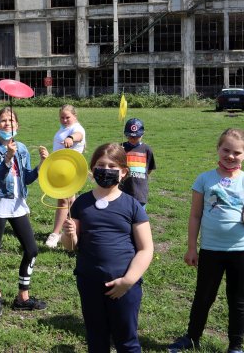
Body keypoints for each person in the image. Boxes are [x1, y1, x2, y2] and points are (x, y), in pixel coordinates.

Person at [168, 128, 244, 353]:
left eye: (237, 152)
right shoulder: (204, 179)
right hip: (211, 249)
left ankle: (235, 346)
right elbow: (195, 215)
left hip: (243, 250)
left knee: (237, 298)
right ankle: (192, 338)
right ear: (218, 149)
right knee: (203, 295)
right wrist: (192, 248)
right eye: (226, 150)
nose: (231, 156)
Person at [61, 143, 153, 353]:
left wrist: (128, 281)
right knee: (96, 338)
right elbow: (71, 247)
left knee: (126, 340)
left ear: (123, 172)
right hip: (89, 282)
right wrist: (69, 235)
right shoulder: (81, 204)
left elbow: (146, 249)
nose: (105, 170)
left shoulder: (132, 205)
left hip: (124, 286)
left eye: (112, 166)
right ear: (92, 170)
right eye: (100, 165)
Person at [0, 107, 49, 317]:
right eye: (2, 121)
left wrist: (41, 164)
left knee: (31, 250)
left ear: (17, 126)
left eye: (11, 120)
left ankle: (23, 296)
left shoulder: (21, 148)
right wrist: (6, 158)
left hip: (18, 206)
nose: (6, 124)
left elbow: (27, 178)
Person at [46, 104, 86, 248]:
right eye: (62, 117)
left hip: (70, 170)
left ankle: (55, 234)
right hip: (61, 169)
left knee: (63, 201)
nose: (64, 120)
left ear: (75, 116)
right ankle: (74, 232)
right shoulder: (64, 128)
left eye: (67, 117)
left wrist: (71, 138)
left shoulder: (76, 128)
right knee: (69, 203)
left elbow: (79, 136)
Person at [120, 118, 156, 207]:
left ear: (142, 134)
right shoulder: (120, 148)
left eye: (136, 136)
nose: (133, 139)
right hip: (122, 191)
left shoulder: (147, 149)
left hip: (139, 192)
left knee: (138, 218)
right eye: (130, 136)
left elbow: (149, 169)